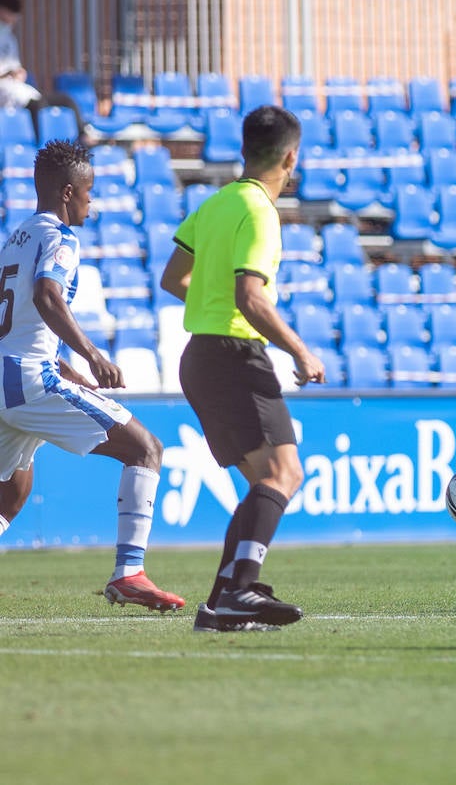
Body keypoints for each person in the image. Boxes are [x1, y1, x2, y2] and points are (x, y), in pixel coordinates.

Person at [159, 105, 325, 632]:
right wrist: (301, 350)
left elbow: (172, 277)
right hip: (233, 355)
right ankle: (241, 590)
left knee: (263, 484)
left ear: (245, 149)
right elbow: (251, 298)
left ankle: (220, 603)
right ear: (291, 157)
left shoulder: (214, 204)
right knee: (285, 473)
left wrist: (211, 305)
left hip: (200, 358)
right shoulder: (259, 210)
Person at [0, 139, 184, 612]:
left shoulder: (15, 238)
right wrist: (93, 355)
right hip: (28, 382)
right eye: (89, 192)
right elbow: (46, 296)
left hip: (7, 379)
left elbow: (19, 324)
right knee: (146, 449)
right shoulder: (61, 239)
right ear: (67, 192)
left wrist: (70, 370)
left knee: (12, 493)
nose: (92, 202)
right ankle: (130, 574)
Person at [0, 0, 42, 111]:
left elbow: (15, 68)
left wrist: (19, 73)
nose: (7, 25)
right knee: (35, 106)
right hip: (3, 90)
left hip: (13, 87)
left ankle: (84, 129)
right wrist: (5, 74)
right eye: (3, 20)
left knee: (62, 101)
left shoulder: (10, 39)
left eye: (10, 22)